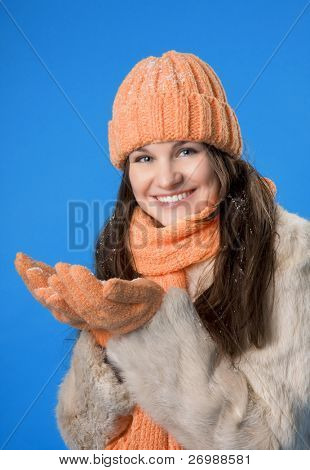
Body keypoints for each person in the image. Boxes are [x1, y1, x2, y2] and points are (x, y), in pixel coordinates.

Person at [14, 50, 310, 450]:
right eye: (145, 158)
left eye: (186, 150)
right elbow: (84, 438)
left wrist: (149, 329)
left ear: (220, 157)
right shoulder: (128, 253)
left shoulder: (289, 259)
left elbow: (273, 447)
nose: (166, 178)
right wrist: (106, 335)